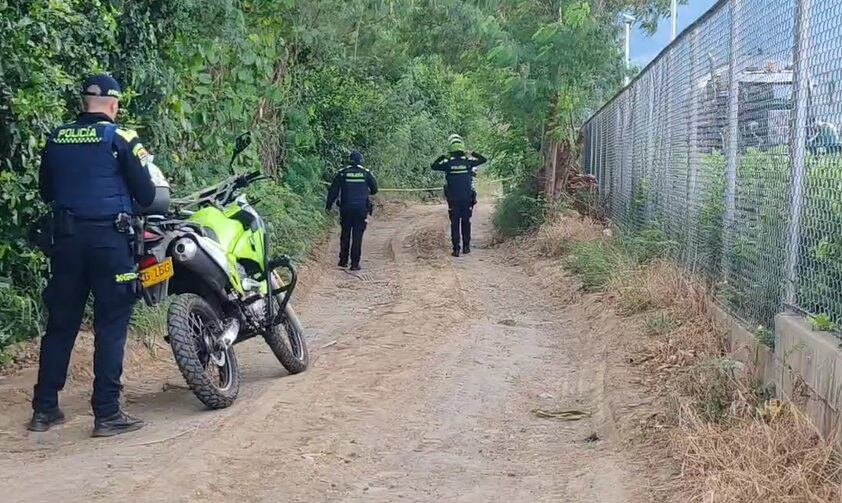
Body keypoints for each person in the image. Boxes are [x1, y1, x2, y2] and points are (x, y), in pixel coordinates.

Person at [31, 74, 155, 437]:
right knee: (111, 324)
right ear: (113, 105)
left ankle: (44, 409)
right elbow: (146, 194)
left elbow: (46, 191)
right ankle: (106, 413)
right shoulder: (121, 137)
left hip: (66, 242)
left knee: (61, 324)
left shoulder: (57, 137)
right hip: (109, 243)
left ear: (83, 103)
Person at [431, 134, 487, 257]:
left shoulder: (447, 163)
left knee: (455, 223)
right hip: (467, 199)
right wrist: (472, 153)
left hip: (453, 200)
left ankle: (456, 249)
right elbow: (483, 160)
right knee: (466, 221)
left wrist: (443, 156)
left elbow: (433, 166)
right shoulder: (468, 161)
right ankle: (466, 247)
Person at [326, 151, 379, 271]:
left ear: (349, 160)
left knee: (345, 234)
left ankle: (343, 261)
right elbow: (375, 189)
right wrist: (364, 192)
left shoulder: (343, 173)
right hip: (361, 209)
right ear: (361, 160)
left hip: (346, 208)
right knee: (357, 236)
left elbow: (333, 191)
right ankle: (355, 264)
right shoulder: (366, 173)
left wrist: (328, 206)